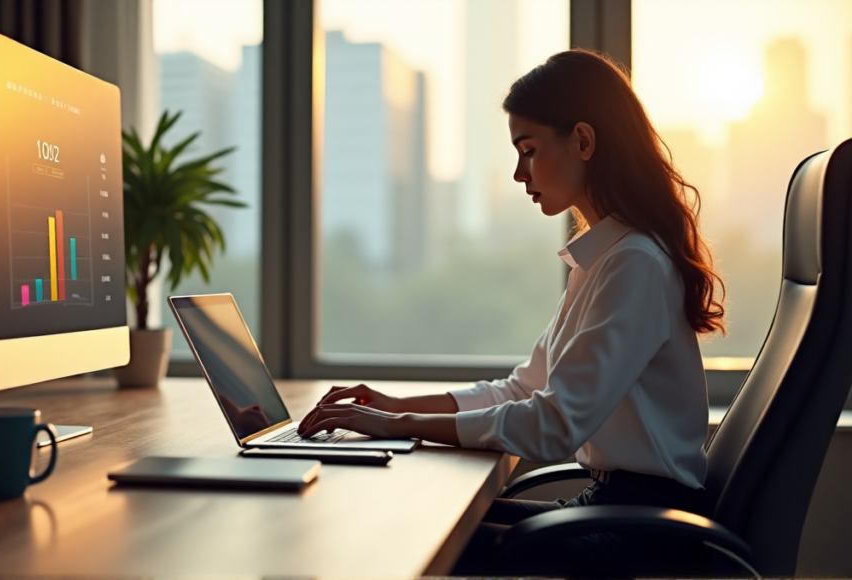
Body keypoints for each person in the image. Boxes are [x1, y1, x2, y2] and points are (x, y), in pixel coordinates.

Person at [297, 48, 725, 576]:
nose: (520, 173)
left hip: (645, 533)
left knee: (416, 541)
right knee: (423, 521)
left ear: (583, 141)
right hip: (615, 509)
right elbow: (524, 389)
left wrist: (398, 425)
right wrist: (395, 406)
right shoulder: (603, 258)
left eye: (529, 150)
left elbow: (553, 425)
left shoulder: (633, 264)